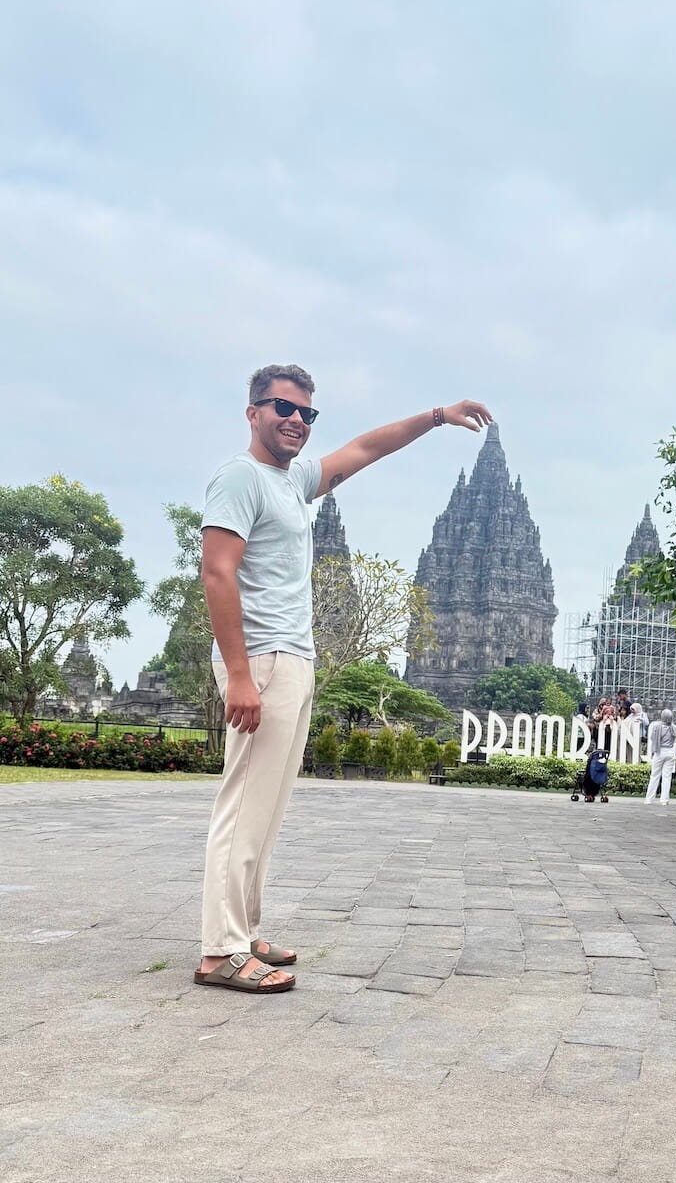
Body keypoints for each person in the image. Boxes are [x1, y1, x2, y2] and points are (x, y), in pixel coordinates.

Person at [195, 364, 492, 994]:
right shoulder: (240, 477)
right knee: (243, 804)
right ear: (253, 412)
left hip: (294, 656)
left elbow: (366, 448)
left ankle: (243, 934)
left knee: (266, 810)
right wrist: (241, 676)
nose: (295, 420)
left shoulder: (294, 478)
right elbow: (218, 574)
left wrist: (437, 416)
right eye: (282, 408)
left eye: (306, 412)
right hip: (264, 658)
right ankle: (219, 950)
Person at [645, 709, 676, 804]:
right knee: (667, 777)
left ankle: (649, 799)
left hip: (659, 751)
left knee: (655, 775)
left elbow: (652, 738)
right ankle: (664, 800)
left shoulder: (657, 726)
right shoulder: (674, 727)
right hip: (670, 752)